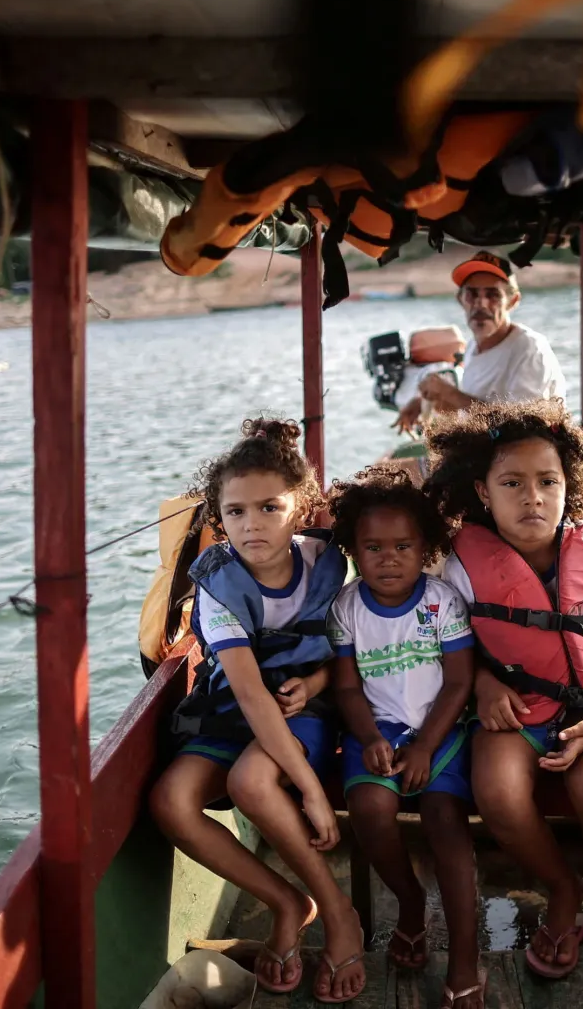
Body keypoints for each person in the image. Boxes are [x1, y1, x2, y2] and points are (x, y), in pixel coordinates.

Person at [424, 399, 583, 979]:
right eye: (512, 482)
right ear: (483, 492)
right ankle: (562, 893)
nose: (531, 496)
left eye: (547, 481)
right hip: (516, 707)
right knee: (498, 792)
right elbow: (449, 651)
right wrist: (484, 684)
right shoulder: (458, 566)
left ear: (570, 487)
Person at [146, 418, 367, 1004]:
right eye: (237, 512)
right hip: (232, 709)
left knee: (251, 778)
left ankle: (340, 915)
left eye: (270, 507)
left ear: (301, 508)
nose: (252, 525)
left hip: (304, 708)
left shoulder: (326, 559)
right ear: (220, 517)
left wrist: (319, 676)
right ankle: (287, 901)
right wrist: (314, 793)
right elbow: (245, 693)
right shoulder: (219, 583)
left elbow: (350, 640)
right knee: (171, 800)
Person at [325, 466, 483, 1009]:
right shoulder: (346, 609)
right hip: (380, 730)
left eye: (402, 546)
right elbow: (347, 689)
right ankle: (410, 903)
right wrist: (369, 737)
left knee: (445, 821)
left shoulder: (441, 602)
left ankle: (464, 959)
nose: (388, 558)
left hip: (442, 730)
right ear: (352, 550)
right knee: (368, 807)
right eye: (372, 547)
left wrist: (424, 746)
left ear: (425, 548)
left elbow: (460, 681)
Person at [393, 251, 565, 433]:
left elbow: (524, 427)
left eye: (493, 295)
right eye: (472, 294)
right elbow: (474, 409)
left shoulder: (529, 348)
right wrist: (425, 402)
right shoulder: (473, 348)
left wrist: (450, 393)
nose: (481, 304)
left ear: (512, 302)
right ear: (461, 300)